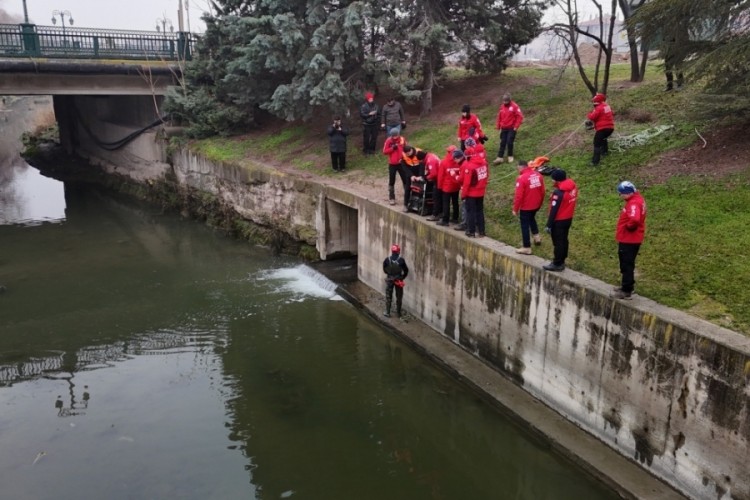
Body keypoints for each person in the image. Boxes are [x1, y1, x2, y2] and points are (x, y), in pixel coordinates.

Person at [612, 181, 646, 299]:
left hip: (629, 239)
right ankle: (626, 285)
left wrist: (628, 226)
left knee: (626, 264)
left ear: (628, 193)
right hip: (632, 238)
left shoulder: (633, 204)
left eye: (621, 193)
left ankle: (626, 290)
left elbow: (635, 219)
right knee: (627, 263)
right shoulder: (638, 199)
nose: (620, 196)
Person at [542, 169, 578, 272]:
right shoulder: (572, 186)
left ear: (557, 180)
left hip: (559, 221)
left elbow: (554, 210)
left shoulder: (558, 193)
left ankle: (557, 263)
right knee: (564, 240)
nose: (552, 181)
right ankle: (562, 260)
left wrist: (549, 225)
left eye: (553, 179)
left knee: (558, 242)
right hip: (568, 218)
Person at [513, 160, 546, 255]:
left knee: (524, 226)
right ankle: (537, 237)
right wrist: (540, 203)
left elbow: (519, 196)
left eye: (517, 167)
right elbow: (543, 191)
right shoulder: (538, 175)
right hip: (536, 205)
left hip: (526, 206)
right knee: (532, 219)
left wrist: (515, 209)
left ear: (520, 167)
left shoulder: (521, 178)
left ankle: (526, 247)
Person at [460, 146, 489, 237]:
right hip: (481, 192)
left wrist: (463, 195)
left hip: (471, 193)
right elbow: (486, 175)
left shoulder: (469, 166)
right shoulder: (484, 163)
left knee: (470, 212)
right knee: (480, 211)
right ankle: (482, 231)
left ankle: (471, 231)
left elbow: (467, 183)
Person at [493, 94, 524, 165]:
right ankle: (500, 157)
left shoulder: (515, 106)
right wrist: (498, 126)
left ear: (509, 100)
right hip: (504, 128)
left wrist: (516, 127)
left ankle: (510, 155)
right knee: (502, 142)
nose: (505, 102)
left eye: (506, 101)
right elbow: (499, 117)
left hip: (511, 128)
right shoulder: (502, 107)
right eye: (504, 101)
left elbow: (520, 117)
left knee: (509, 142)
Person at [587, 93, 615, 166]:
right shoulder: (607, 106)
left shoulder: (598, 108)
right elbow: (612, 113)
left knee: (596, 143)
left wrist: (589, 114)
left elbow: (592, 117)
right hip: (610, 128)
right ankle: (604, 152)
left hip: (602, 128)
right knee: (603, 139)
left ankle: (595, 162)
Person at [436, 145, 461, 226]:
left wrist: (439, 186)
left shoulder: (444, 162)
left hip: (447, 187)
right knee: (455, 202)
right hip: (456, 185)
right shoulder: (459, 161)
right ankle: (455, 218)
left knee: (446, 203)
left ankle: (445, 220)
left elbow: (440, 176)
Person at [383, 244, 409, 317]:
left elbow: (384, 270)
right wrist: (402, 277)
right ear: (398, 251)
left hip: (390, 280)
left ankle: (387, 312)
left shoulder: (387, 259)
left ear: (392, 251)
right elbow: (406, 270)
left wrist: (390, 274)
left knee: (388, 296)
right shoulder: (401, 260)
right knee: (399, 297)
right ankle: (398, 313)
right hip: (398, 280)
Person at [382, 128, 406, 206]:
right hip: (392, 164)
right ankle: (391, 197)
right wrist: (392, 148)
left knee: (405, 180)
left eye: (396, 135)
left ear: (398, 134)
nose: (395, 137)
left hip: (401, 163)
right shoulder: (388, 141)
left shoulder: (402, 139)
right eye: (393, 136)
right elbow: (384, 151)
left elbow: (406, 149)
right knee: (392, 180)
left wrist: (404, 158)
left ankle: (407, 196)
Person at [417, 150, 442, 220]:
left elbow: (433, 174)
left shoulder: (430, 161)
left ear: (422, 159)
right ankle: (440, 213)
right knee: (439, 197)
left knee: (435, 197)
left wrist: (426, 178)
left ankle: (435, 214)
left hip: (438, 180)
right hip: (440, 178)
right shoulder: (431, 155)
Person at [400, 145, 423, 211]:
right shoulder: (403, 156)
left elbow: (422, 165)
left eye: (409, 153)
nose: (408, 155)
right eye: (406, 154)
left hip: (418, 171)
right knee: (407, 188)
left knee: (419, 189)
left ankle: (419, 205)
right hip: (410, 171)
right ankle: (405, 205)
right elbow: (404, 167)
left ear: (411, 150)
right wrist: (411, 175)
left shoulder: (419, 152)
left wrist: (420, 176)